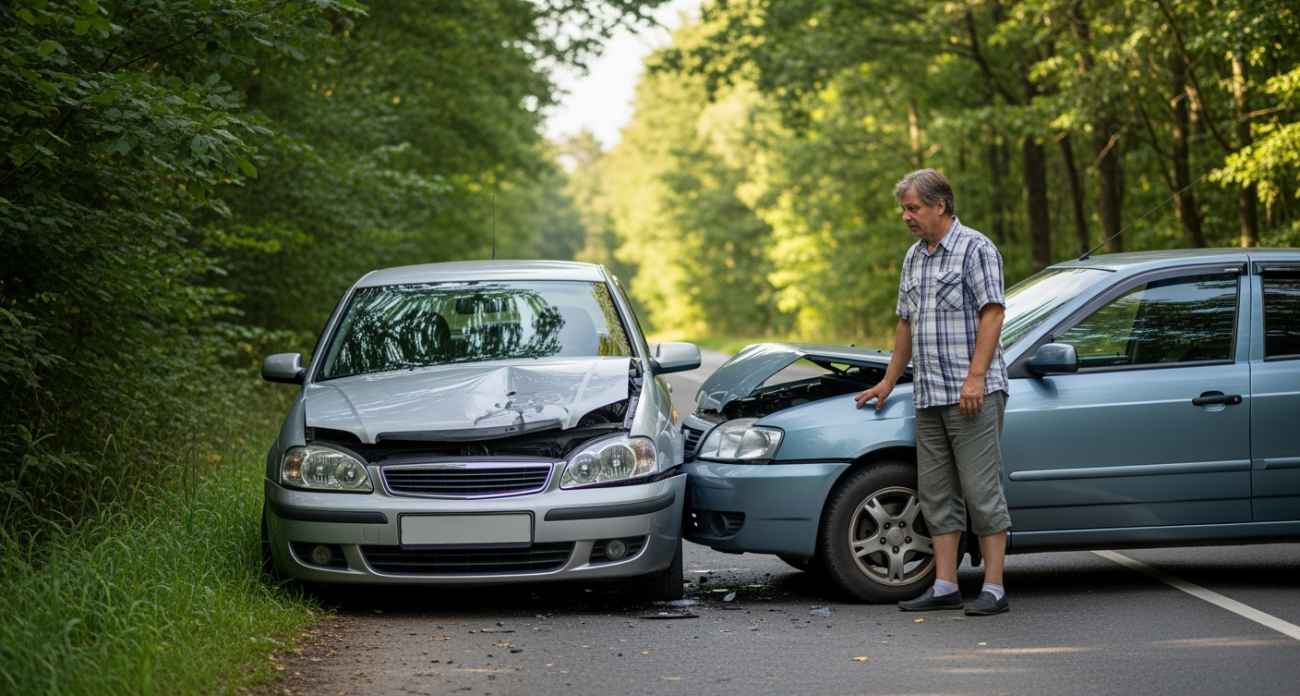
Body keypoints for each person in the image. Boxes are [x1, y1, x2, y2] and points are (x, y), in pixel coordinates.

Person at [853, 168, 1011, 616]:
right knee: (937, 492)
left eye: (913, 208)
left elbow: (993, 313)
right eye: (904, 208)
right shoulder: (914, 257)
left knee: (982, 491)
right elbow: (906, 322)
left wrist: (976, 376)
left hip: (971, 394)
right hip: (930, 393)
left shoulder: (976, 248)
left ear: (940, 206)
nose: (906, 216)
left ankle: (994, 588)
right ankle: (945, 585)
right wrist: (888, 380)